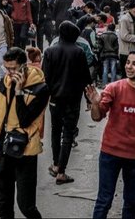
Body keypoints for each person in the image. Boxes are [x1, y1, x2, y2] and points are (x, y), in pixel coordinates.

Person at [85, 51, 135, 219]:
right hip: (110, 153)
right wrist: (95, 104)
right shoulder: (114, 88)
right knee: (104, 200)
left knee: (131, 203)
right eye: (128, 63)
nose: (129, 67)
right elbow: (97, 117)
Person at [0, 47, 49, 219]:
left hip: (26, 149)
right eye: (7, 68)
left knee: (26, 205)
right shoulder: (4, 82)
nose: (9, 72)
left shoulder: (40, 88)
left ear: (24, 66)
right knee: (4, 203)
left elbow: (25, 120)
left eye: (13, 68)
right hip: (3, 147)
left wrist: (19, 92)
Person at [42, 21, 92, 185]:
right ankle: (61, 172)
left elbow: (45, 78)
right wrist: (89, 99)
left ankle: (56, 164)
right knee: (68, 134)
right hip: (73, 100)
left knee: (55, 132)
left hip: (54, 100)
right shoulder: (78, 52)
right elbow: (86, 77)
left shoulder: (50, 51)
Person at [118, 0, 135, 79]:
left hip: (131, 51)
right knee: (126, 76)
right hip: (125, 52)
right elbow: (124, 36)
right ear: (130, 9)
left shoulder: (133, 19)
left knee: (131, 76)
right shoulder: (124, 19)